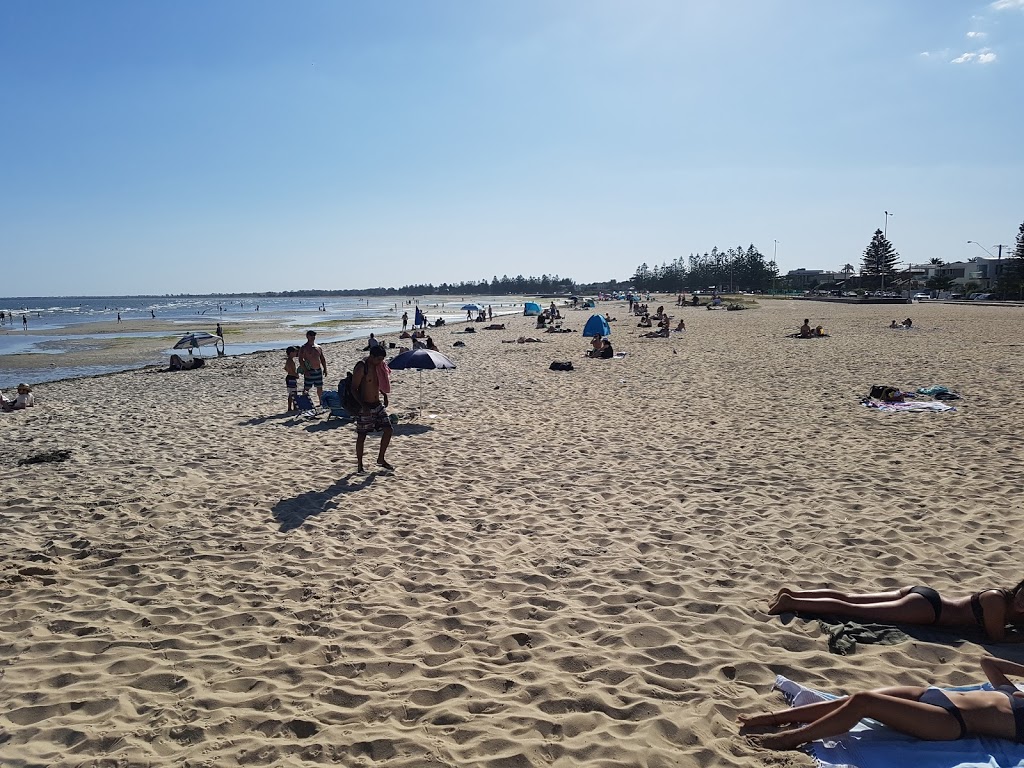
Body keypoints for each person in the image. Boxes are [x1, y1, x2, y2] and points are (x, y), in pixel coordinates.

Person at [740, 655, 1024, 750]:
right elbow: (987, 662)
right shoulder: (1013, 691)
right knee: (850, 699)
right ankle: (772, 718)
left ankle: (794, 737)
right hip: (933, 695)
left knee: (864, 702)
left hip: (951, 722)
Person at [768, 581, 1024, 642]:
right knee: (849, 608)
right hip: (929, 610)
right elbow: (996, 637)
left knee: (850, 600)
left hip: (924, 596)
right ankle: (792, 602)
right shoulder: (997, 601)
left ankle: (793, 595)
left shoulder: (1003, 601)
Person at [351, 345, 393, 472]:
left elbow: (378, 382)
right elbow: (354, 388)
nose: (381, 362)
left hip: (377, 404)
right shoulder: (361, 367)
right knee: (362, 435)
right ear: (372, 356)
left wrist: (384, 395)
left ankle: (381, 458)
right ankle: (360, 465)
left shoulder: (378, 366)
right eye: (379, 359)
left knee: (388, 429)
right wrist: (363, 406)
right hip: (365, 406)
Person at [298, 330, 328, 404]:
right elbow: (300, 360)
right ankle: (304, 402)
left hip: (318, 370)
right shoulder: (304, 347)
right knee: (307, 388)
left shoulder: (318, 347)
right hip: (309, 370)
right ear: (307, 336)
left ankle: (321, 402)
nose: (312, 337)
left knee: (319, 387)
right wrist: (305, 370)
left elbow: (322, 359)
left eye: (313, 336)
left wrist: (325, 368)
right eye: (311, 335)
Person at [284, 347, 299, 412]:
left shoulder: (290, 360)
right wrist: (296, 374)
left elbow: (285, 368)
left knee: (292, 393)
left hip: (291, 377)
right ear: (291, 353)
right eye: (295, 352)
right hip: (291, 377)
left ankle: (292, 407)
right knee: (293, 393)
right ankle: (291, 407)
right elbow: (290, 370)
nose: (296, 353)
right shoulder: (289, 361)